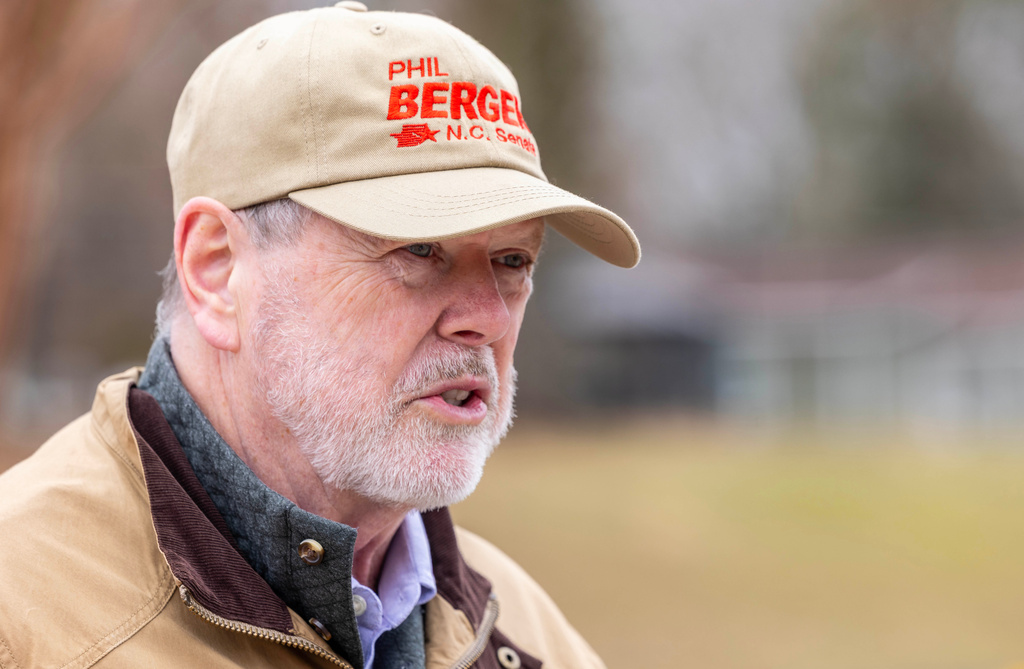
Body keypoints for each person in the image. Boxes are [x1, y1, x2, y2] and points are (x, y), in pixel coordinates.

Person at [0, 3, 639, 669]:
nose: (489, 317)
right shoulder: (24, 620)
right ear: (215, 269)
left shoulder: (530, 635)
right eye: (419, 250)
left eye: (513, 261)